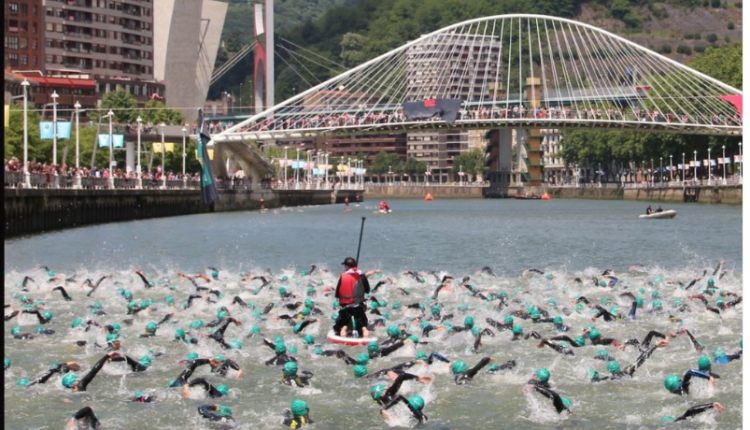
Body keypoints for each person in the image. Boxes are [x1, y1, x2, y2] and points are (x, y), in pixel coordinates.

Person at [333, 257, 371, 338]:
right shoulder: (362, 276)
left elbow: (337, 294)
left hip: (346, 307)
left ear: (347, 267)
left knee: (343, 326)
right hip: (359, 306)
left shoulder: (343, 276)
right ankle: (365, 337)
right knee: (363, 327)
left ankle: (344, 332)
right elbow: (367, 290)